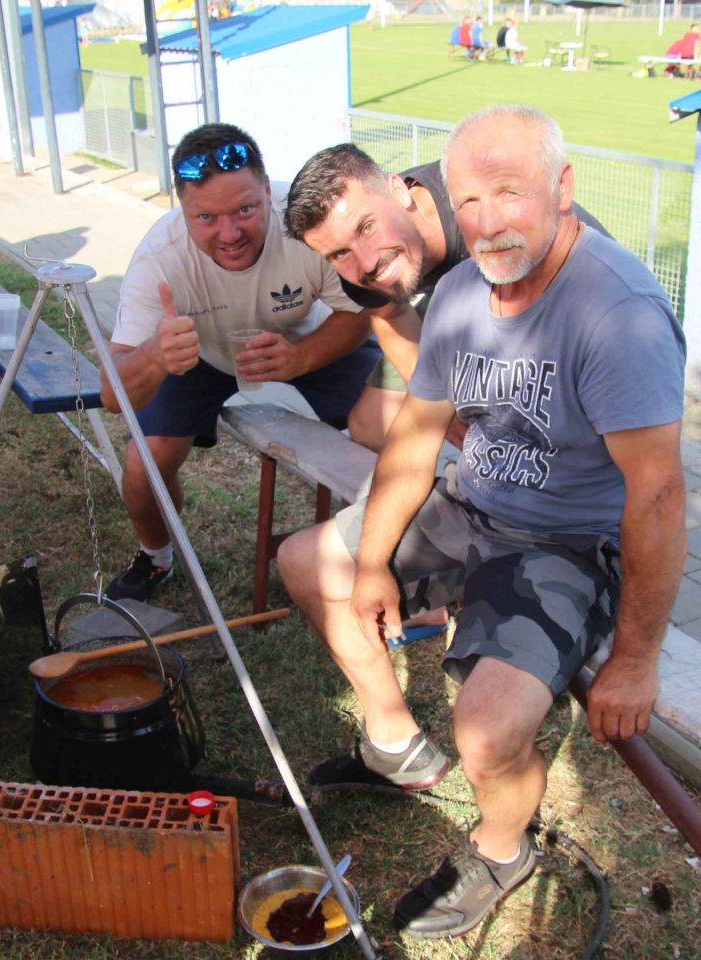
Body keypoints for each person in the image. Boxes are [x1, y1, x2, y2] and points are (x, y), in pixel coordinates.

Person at [277, 104, 685, 940]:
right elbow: (417, 440)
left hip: (564, 545)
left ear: (563, 189)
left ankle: (503, 850)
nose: (489, 220)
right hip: (472, 504)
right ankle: (394, 749)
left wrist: (637, 660)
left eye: (510, 192)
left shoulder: (619, 314)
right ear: (442, 202)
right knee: (305, 561)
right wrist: (375, 562)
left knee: (487, 729)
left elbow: (656, 499)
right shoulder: (461, 291)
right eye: (470, 201)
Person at [100, 122, 379, 602]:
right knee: (146, 462)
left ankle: (393, 547)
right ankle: (155, 556)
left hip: (302, 337)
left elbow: (360, 312)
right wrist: (154, 355)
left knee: (388, 417)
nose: (229, 234)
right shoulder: (160, 258)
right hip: (198, 353)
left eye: (246, 210)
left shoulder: (305, 219)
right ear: (182, 210)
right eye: (205, 217)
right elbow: (111, 394)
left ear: (270, 192)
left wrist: (300, 356)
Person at [284, 143, 606, 453]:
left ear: (397, 190)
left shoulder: (486, 219)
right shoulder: (362, 264)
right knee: (370, 423)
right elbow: (389, 315)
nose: (366, 262)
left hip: (570, 306)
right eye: (339, 253)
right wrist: (437, 401)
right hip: (446, 305)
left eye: (367, 228)